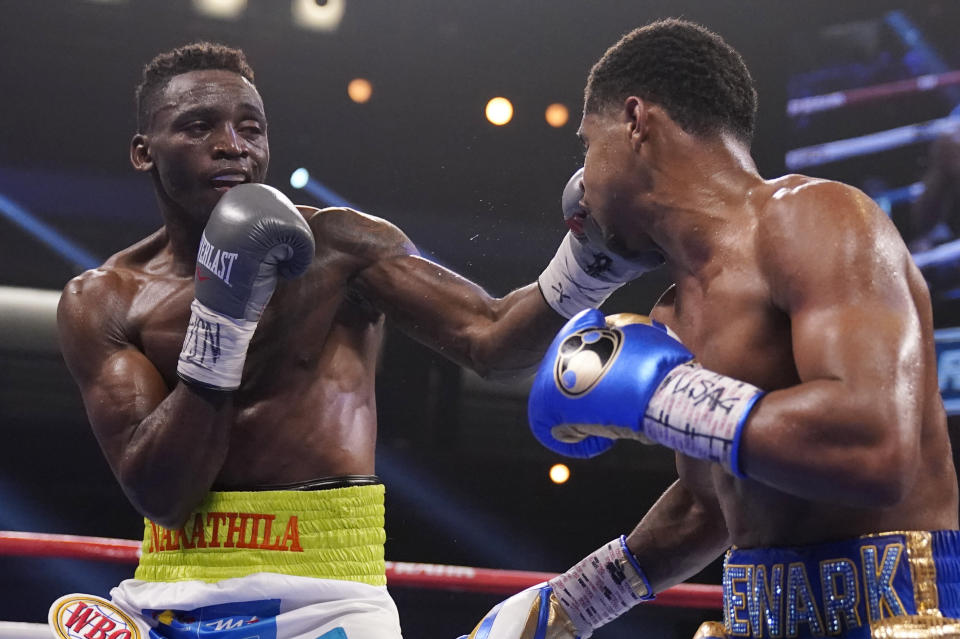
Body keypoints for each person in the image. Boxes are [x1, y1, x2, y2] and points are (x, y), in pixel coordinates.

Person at [54, 43, 652, 639]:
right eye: (198, 126)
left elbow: (489, 338)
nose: (232, 145)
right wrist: (223, 318)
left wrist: (584, 269)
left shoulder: (338, 247)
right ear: (143, 152)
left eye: (250, 128)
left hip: (326, 600)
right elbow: (161, 495)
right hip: (162, 598)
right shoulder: (103, 300)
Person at [461, 19, 960, 639]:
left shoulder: (816, 219)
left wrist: (662, 397)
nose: (582, 181)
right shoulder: (673, 313)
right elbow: (709, 504)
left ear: (636, 120)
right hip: (754, 619)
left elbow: (876, 447)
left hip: (897, 619)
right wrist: (570, 603)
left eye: (587, 145)